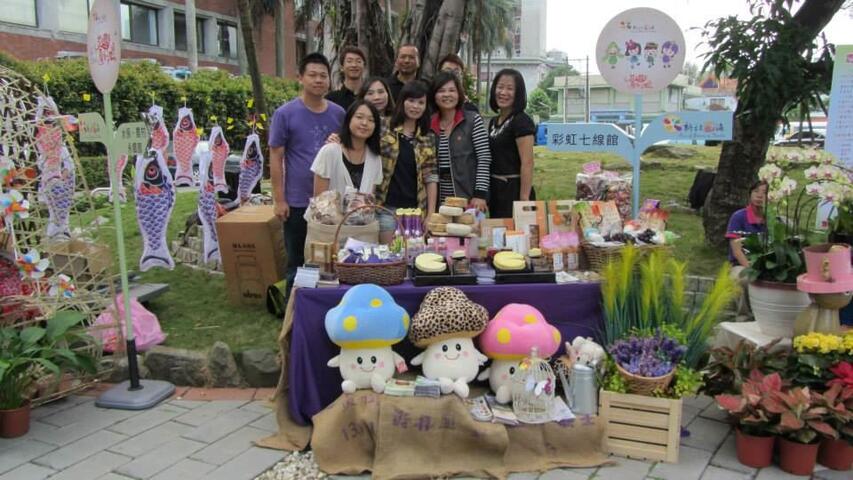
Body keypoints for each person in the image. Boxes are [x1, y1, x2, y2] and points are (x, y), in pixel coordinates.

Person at [269, 52, 344, 307]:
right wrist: (279, 200)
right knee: (298, 261)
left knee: (330, 259)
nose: (318, 80)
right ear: (300, 78)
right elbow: (276, 157)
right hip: (298, 201)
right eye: (312, 75)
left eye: (323, 75)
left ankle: (324, 309)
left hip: (331, 203)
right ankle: (293, 315)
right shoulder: (285, 113)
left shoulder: (339, 114)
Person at [376, 80, 438, 244]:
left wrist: (430, 214)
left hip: (415, 212)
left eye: (421, 102)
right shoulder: (384, 127)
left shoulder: (427, 137)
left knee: (413, 255)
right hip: (386, 209)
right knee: (389, 255)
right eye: (411, 100)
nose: (415, 106)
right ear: (402, 101)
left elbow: (431, 177)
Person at [429, 71, 492, 212]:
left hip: (468, 198)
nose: (447, 95)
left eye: (452, 90)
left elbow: (484, 158)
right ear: (434, 95)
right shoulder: (429, 124)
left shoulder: (472, 120)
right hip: (439, 201)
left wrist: (480, 194)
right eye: (441, 91)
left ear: (459, 94)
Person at [486, 68, 536, 218]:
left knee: (515, 231)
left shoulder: (522, 121)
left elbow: (527, 162)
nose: (503, 92)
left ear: (518, 93)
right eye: (500, 87)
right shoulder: (493, 122)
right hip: (496, 191)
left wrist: (524, 199)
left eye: (509, 88)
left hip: (514, 191)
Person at [311, 100, 383, 196]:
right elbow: (319, 199)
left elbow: (369, 198)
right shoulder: (330, 151)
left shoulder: (375, 157)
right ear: (349, 119)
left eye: (371, 120)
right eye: (359, 117)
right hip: (328, 206)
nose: (365, 123)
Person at [726, 180, 769, 275]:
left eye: (764, 192)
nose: (759, 196)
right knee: (744, 277)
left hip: (766, 266)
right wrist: (752, 270)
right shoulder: (738, 217)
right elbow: (737, 251)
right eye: (756, 191)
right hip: (741, 265)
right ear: (750, 194)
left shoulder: (772, 219)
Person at [326, 46, 366, 111]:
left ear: (364, 66)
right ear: (342, 67)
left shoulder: (370, 96)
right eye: (349, 61)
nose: (354, 65)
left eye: (358, 61)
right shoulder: (331, 99)